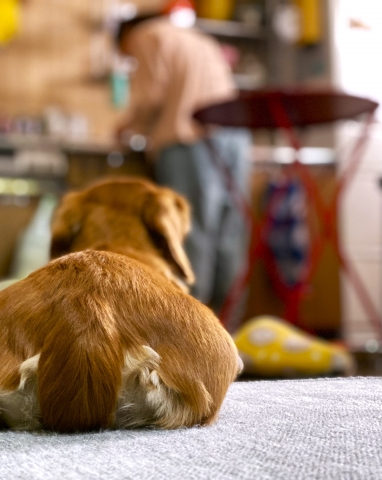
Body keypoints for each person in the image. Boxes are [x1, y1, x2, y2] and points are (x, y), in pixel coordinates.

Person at [115, 12, 251, 328]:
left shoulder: (145, 35)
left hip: (188, 138)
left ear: (125, 36)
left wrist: (124, 127)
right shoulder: (197, 36)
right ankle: (228, 331)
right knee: (231, 236)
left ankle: (190, 333)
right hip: (234, 136)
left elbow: (150, 95)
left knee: (190, 234)